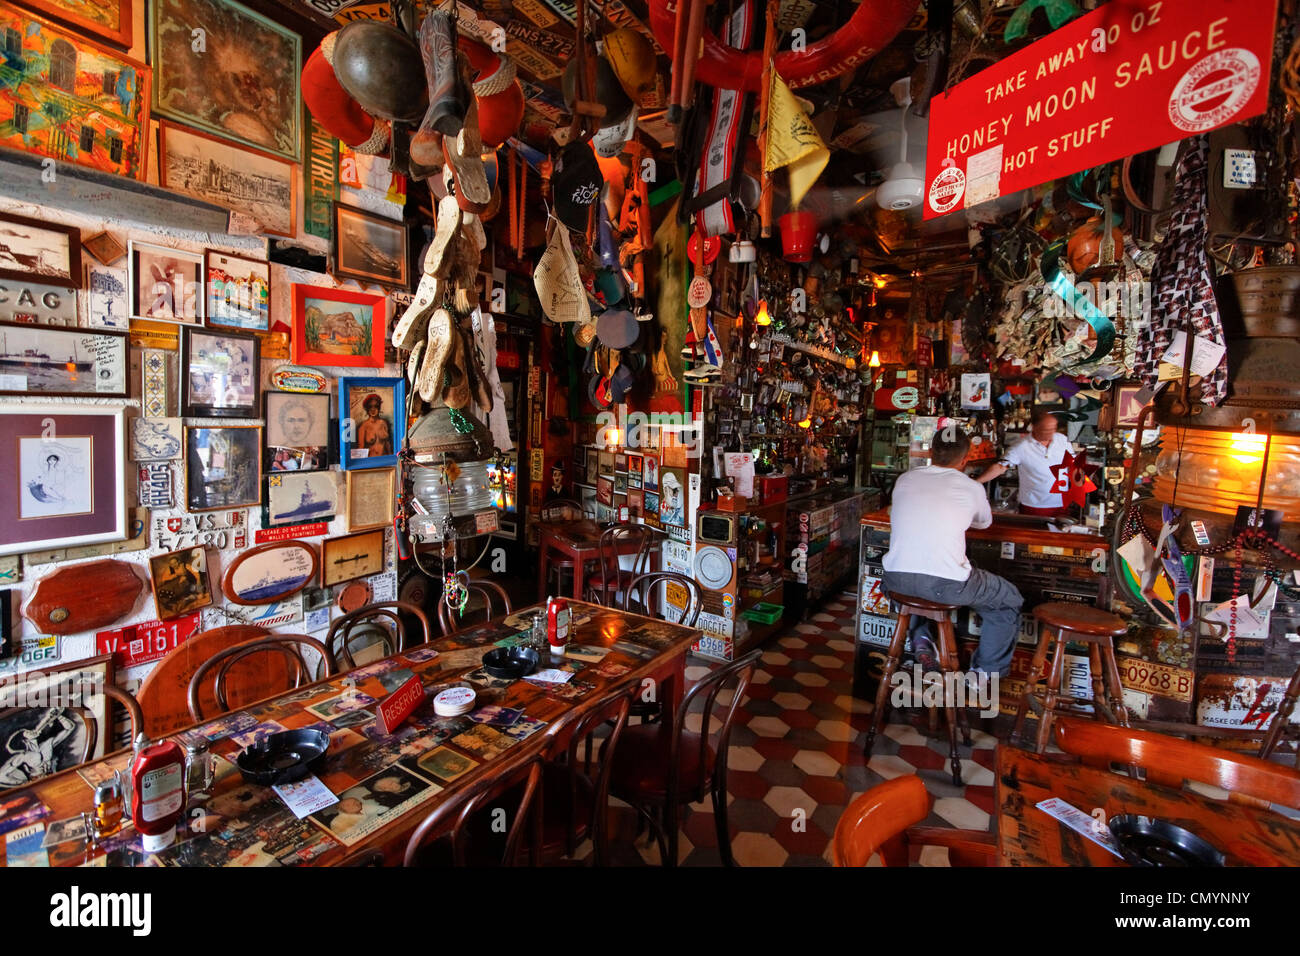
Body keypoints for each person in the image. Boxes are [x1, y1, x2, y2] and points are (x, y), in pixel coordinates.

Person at [881, 425, 1023, 678]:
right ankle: (984, 673)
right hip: (944, 586)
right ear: (966, 459)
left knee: (916, 587)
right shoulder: (971, 487)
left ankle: (921, 639)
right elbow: (983, 523)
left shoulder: (905, 479)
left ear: (930, 453)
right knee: (1008, 599)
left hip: (893, 581)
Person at [976, 409, 1074, 517]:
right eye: (1046, 430)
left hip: (1062, 503)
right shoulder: (1020, 447)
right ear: (1035, 427)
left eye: (1053, 428)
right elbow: (1000, 467)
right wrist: (977, 481)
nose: (1051, 433)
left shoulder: (1063, 440)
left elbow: (1073, 464)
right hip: (1034, 506)